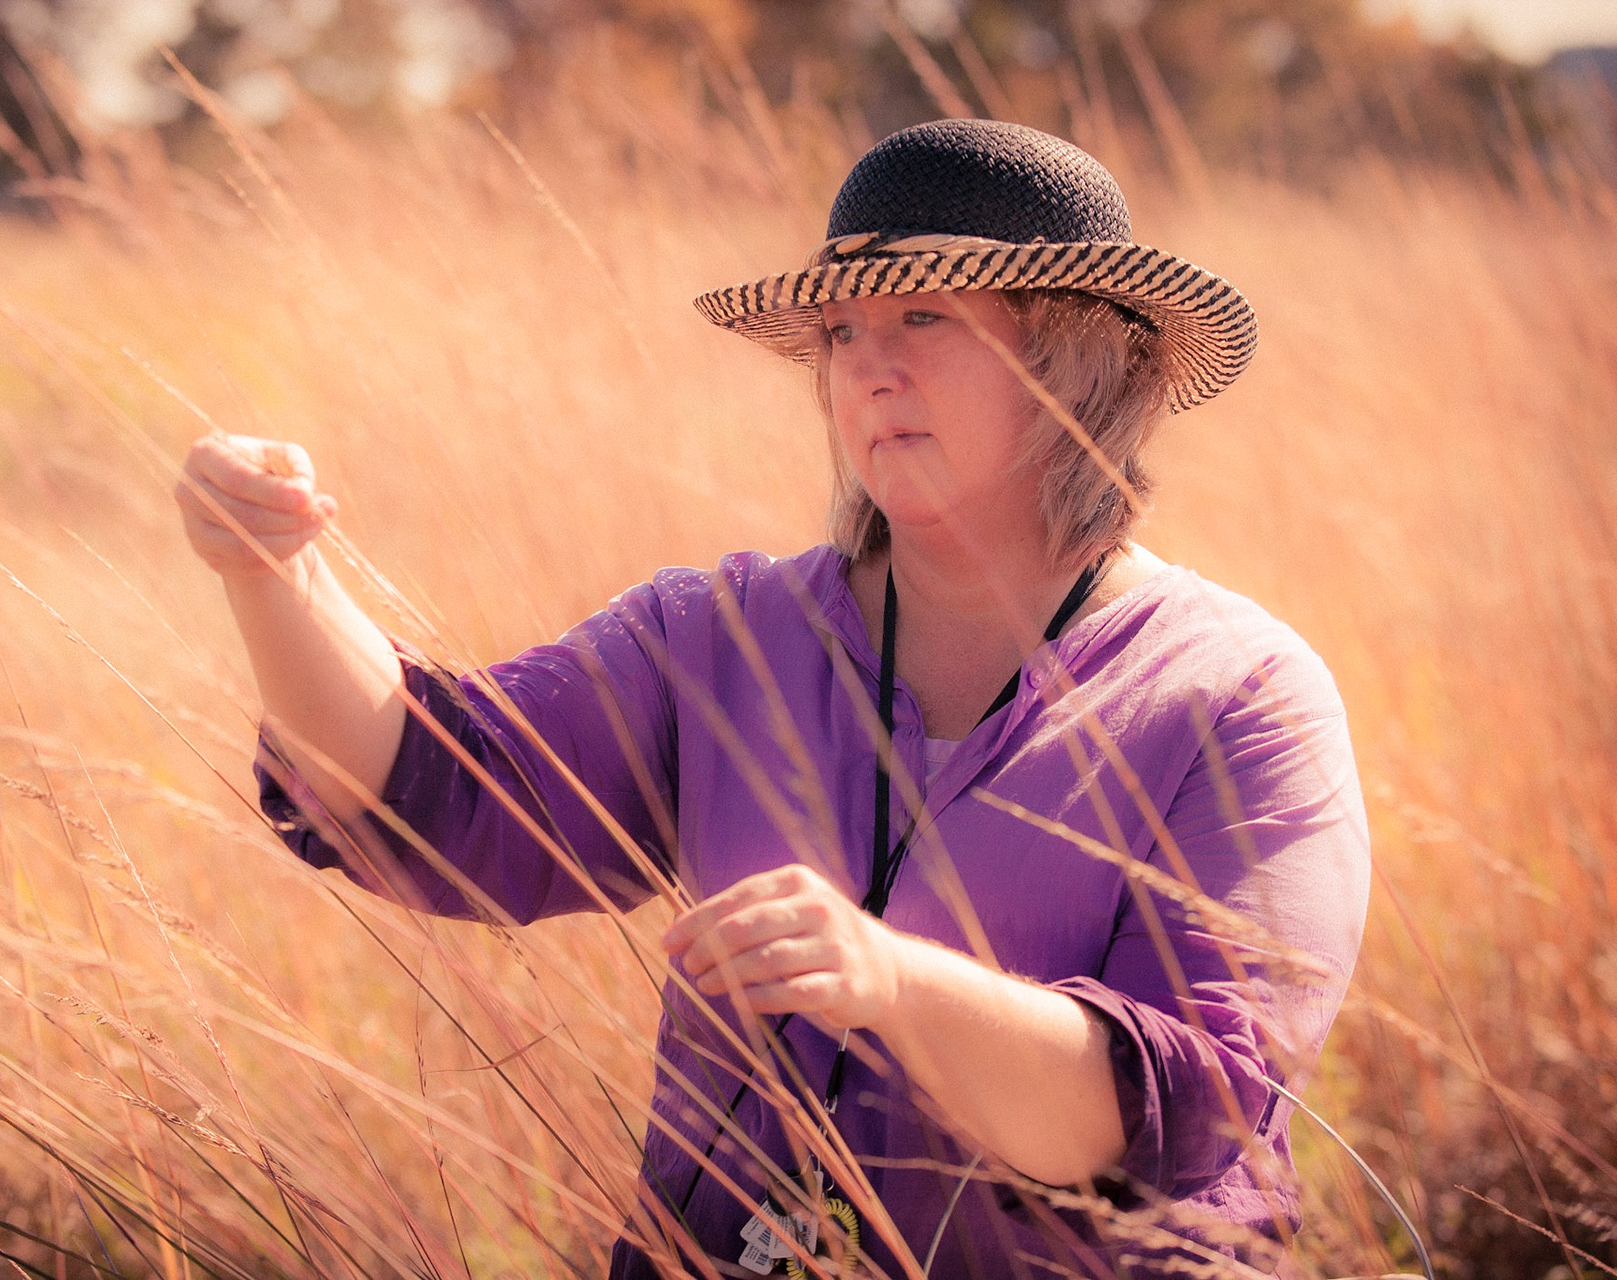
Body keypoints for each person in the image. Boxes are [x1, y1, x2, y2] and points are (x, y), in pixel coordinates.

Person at [174, 118, 1370, 1279]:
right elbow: (427, 792)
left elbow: (1182, 1114)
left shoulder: (1240, 696)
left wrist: (891, 980)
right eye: (842, 332)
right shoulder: (722, 636)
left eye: (923, 315)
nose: (870, 367)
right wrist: (272, 573)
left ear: (1076, 356)